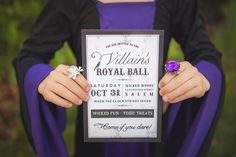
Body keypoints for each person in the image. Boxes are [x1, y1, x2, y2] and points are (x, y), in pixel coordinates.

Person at [13, 0, 225, 156]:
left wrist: (202, 78)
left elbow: (205, 54)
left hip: (153, 141)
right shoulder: (70, 3)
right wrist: (43, 79)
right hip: (92, 143)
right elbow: (30, 56)